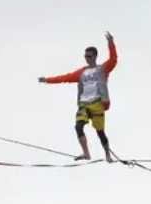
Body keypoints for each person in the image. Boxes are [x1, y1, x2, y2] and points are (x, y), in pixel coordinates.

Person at [38, 31, 118, 162]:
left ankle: (107, 155)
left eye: (89, 56)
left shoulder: (102, 69)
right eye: (85, 56)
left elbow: (113, 60)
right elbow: (64, 77)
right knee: (78, 126)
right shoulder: (81, 72)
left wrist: (111, 43)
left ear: (95, 56)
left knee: (100, 132)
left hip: (98, 103)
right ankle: (86, 153)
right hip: (84, 104)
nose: (87, 58)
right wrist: (47, 80)